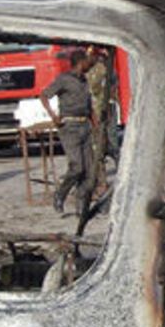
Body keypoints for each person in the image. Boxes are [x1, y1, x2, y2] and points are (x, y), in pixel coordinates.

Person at [40, 49, 97, 214]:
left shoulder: (84, 80)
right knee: (77, 167)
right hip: (69, 126)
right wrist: (53, 116)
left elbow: (89, 104)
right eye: (87, 62)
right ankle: (60, 194)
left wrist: (95, 123)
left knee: (88, 170)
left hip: (85, 125)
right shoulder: (64, 80)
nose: (90, 65)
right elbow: (44, 95)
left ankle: (81, 207)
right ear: (80, 62)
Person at [86, 47, 119, 196]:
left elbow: (92, 91)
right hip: (108, 109)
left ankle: (103, 183)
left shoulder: (97, 70)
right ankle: (119, 176)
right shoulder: (109, 69)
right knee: (112, 145)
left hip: (100, 112)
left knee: (99, 148)